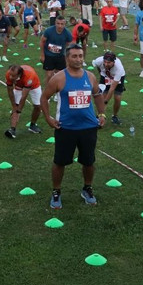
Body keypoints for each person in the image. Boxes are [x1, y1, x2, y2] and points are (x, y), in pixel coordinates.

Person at [40, 43, 106, 209]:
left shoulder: (90, 76)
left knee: (89, 161)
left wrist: (102, 114)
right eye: (74, 56)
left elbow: (98, 95)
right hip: (66, 128)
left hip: (88, 127)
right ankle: (56, 192)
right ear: (67, 58)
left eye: (81, 56)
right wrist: (48, 118)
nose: (78, 59)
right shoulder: (59, 78)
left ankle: (87, 188)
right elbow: (44, 98)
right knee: (60, 162)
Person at [4, 64, 43, 138]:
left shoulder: (29, 76)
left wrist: (19, 110)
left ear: (19, 75)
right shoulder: (8, 74)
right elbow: (10, 92)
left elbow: (24, 96)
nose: (10, 77)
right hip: (19, 85)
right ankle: (12, 129)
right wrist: (14, 106)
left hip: (34, 86)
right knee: (15, 105)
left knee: (38, 106)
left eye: (13, 76)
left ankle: (32, 125)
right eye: (10, 75)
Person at [92, 51, 126, 125]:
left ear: (114, 62)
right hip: (105, 75)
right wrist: (101, 73)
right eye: (105, 62)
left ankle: (115, 116)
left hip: (117, 77)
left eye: (109, 62)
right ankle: (99, 116)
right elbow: (97, 66)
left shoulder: (119, 69)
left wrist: (106, 101)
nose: (106, 64)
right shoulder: (98, 61)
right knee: (102, 96)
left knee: (117, 98)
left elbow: (112, 88)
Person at [40, 15, 73, 84]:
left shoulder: (67, 33)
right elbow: (42, 41)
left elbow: (69, 46)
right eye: (58, 23)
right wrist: (42, 55)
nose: (60, 26)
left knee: (60, 75)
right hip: (49, 55)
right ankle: (47, 91)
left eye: (62, 24)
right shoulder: (48, 31)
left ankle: (58, 92)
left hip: (60, 56)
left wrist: (67, 58)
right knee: (49, 75)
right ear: (55, 23)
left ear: (65, 24)